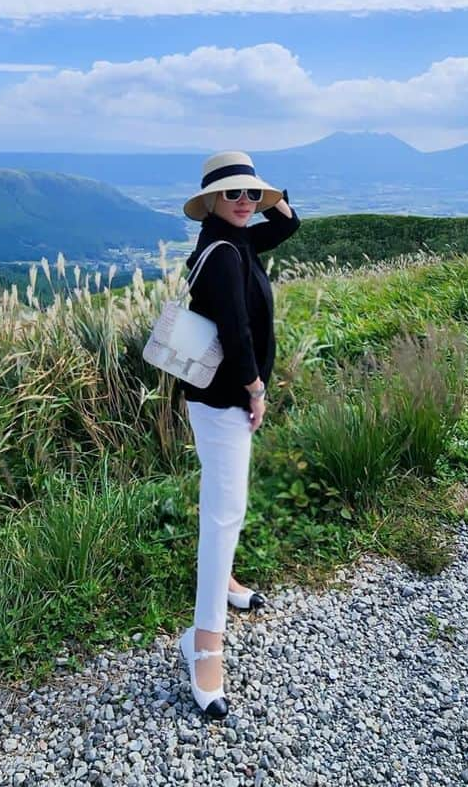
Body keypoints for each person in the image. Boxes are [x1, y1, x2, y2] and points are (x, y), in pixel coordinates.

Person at [176, 150, 301, 718]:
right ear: (210, 202)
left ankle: (224, 581)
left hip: (211, 399)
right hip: (225, 398)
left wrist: (268, 195)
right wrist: (255, 387)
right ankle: (203, 645)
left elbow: (288, 223)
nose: (247, 202)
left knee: (224, 502)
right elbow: (235, 329)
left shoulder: (237, 239)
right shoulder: (225, 255)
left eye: (252, 192)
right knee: (226, 513)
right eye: (234, 194)